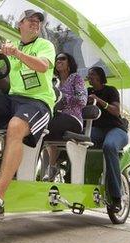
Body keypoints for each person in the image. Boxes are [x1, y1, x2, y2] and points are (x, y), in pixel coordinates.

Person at [0, 9, 56, 221]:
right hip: (14, 99)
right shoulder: (10, 47)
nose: (35, 23)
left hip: (39, 102)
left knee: (16, 127)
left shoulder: (45, 45)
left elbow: (43, 66)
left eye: (38, 21)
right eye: (30, 20)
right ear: (20, 25)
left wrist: (16, 53)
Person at [87, 66, 128, 212]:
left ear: (99, 76)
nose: (89, 77)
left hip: (116, 129)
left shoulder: (110, 90)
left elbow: (116, 111)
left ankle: (116, 197)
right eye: (88, 75)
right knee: (77, 141)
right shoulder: (87, 92)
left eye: (91, 75)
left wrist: (98, 100)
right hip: (97, 130)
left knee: (109, 146)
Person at [42, 53, 87, 181]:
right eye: (56, 59)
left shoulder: (76, 78)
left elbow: (82, 100)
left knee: (46, 124)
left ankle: (51, 168)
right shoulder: (53, 81)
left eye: (62, 58)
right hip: (55, 117)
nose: (58, 61)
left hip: (73, 119)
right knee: (38, 123)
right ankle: (49, 167)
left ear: (70, 63)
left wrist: (61, 96)